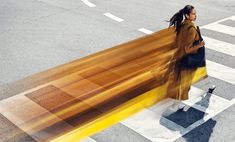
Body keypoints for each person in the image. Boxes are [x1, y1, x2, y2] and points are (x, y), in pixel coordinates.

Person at [166, 5, 215, 111]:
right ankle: (177, 104)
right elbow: (187, 49)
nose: (195, 15)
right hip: (189, 58)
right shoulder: (190, 29)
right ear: (187, 15)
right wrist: (200, 44)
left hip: (183, 57)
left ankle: (209, 86)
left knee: (198, 73)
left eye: (195, 13)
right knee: (185, 83)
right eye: (193, 14)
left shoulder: (184, 25)